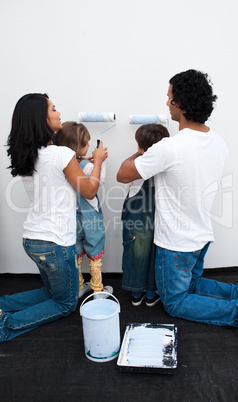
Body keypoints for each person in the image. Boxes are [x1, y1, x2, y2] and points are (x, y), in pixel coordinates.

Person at [117, 69, 238, 327]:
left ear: (180, 104)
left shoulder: (170, 148)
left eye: (169, 97)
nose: (166, 103)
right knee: (192, 283)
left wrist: (141, 152)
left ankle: (234, 312)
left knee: (175, 302)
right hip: (201, 236)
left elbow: (123, 175)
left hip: (176, 245)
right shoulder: (218, 141)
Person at [0, 93, 108, 343]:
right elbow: (90, 191)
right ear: (42, 118)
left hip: (33, 239)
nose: (59, 113)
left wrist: (81, 160)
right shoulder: (60, 154)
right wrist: (99, 161)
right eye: (54, 109)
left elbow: (57, 178)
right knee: (65, 303)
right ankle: (7, 325)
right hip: (56, 244)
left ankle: (4, 305)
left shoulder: (28, 155)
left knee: (51, 292)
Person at [57, 122, 113, 299]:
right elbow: (100, 180)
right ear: (77, 146)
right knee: (94, 254)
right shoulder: (87, 167)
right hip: (90, 219)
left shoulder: (64, 165)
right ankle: (97, 289)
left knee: (78, 254)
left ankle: (80, 285)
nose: (89, 146)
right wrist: (100, 162)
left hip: (72, 219)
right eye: (86, 144)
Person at [121, 124, 169, 306]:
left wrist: (140, 153)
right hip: (157, 217)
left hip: (136, 218)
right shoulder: (165, 167)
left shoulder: (136, 167)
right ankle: (151, 293)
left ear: (141, 148)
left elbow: (122, 171)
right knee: (153, 254)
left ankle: (135, 293)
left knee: (136, 254)